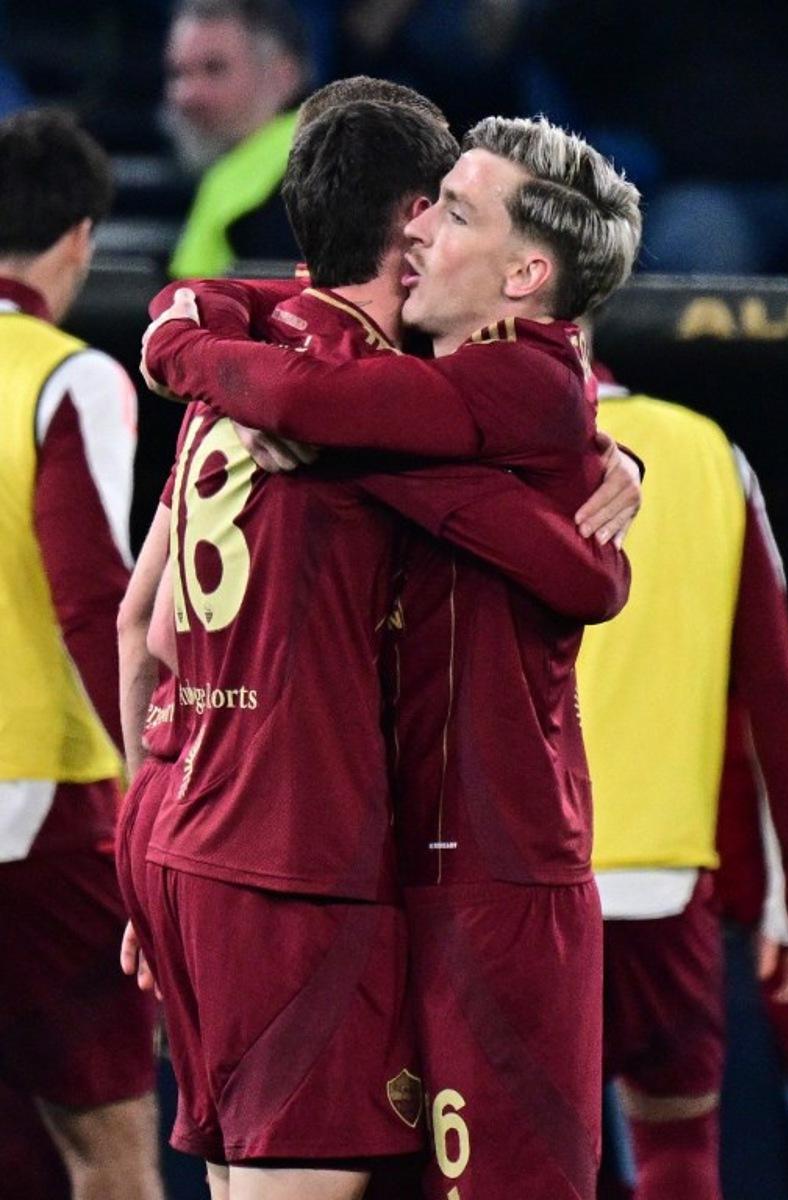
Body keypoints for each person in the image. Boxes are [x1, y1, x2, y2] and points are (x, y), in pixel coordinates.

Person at [143, 105, 642, 1199]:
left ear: (521, 277)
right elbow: (297, 346)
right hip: (386, 871)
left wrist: (196, 350)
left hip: (500, 887)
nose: (418, 233)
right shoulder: (421, 374)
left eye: (452, 214)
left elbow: (303, 404)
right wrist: (197, 316)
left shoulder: (521, 386)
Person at [576, 371, 788, 1200]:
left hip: (516, 889)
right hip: (667, 887)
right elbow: (778, 698)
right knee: (679, 1150)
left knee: (517, 1161)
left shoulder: (462, 431)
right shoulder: (710, 453)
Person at [0, 110, 163, 1199]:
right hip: (44, 807)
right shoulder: (73, 378)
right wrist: (163, 789)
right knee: (106, 1153)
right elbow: (93, 597)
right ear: (79, 241)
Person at [165, 0, 309, 276]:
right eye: (178, 73)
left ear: (283, 75)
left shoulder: (304, 177)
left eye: (214, 69)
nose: (188, 94)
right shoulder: (231, 176)